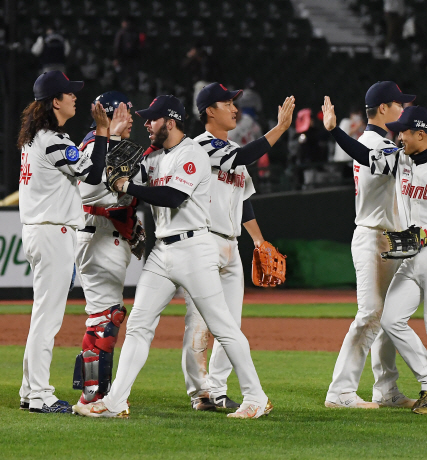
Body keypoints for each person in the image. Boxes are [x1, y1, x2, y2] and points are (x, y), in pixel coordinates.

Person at [72, 95, 286, 419]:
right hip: (162, 251)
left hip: (194, 250)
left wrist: (127, 183)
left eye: (152, 119)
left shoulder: (193, 154)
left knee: (223, 326)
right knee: (139, 326)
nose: (146, 124)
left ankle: (256, 397)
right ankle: (116, 401)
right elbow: (122, 190)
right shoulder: (153, 157)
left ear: (169, 122)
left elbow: (172, 196)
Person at [324, 99, 427, 415]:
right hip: (411, 255)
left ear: (420, 133)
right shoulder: (400, 160)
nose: (398, 137)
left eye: (403, 131)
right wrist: (334, 129)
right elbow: (363, 155)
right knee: (390, 319)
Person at [182, 83, 294, 411]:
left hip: (231, 244)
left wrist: (259, 240)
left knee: (231, 325)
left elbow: (244, 202)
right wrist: (280, 128)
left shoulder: (230, 150)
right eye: (226, 102)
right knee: (200, 322)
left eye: (235, 102)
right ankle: (200, 393)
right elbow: (247, 154)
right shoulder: (200, 146)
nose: (235, 108)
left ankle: (217, 389)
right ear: (208, 111)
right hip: (202, 242)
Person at [18, 71, 110, 413]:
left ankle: (30, 390)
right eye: (69, 94)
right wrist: (102, 132)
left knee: (42, 316)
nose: (75, 98)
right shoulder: (52, 139)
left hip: (41, 230)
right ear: (55, 101)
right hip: (52, 231)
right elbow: (94, 173)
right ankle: (40, 394)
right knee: (48, 319)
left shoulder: (35, 138)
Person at [322, 82, 418, 410]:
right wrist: (335, 132)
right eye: (398, 104)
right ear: (381, 109)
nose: (403, 109)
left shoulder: (383, 143)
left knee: (388, 317)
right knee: (369, 315)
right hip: (373, 238)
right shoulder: (372, 143)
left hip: (388, 238)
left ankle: (386, 390)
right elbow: (368, 155)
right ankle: (340, 391)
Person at [72, 91, 136, 411]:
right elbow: (90, 191)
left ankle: (98, 392)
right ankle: (90, 396)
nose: (133, 118)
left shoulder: (110, 145)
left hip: (108, 238)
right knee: (104, 322)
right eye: (126, 111)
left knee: (108, 320)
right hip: (95, 235)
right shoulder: (93, 144)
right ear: (109, 115)